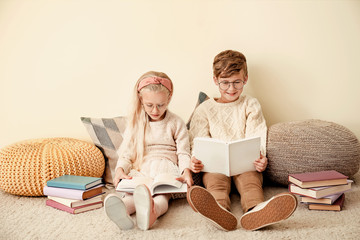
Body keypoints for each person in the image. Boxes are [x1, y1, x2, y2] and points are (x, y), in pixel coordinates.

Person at [187, 50, 297, 231]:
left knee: (251, 183)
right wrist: (196, 160)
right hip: (215, 165)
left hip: (246, 163)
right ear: (215, 80)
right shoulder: (204, 109)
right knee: (215, 184)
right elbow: (198, 141)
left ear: (245, 79)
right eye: (225, 83)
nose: (231, 89)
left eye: (237, 82)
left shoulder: (250, 104)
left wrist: (261, 158)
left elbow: (258, 134)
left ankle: (257, 210)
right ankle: (218, 211)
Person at [104, 71, 193, 231]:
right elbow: (127, 153)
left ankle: (153, 212)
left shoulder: (176, 122)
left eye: (161, 105)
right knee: (134, 193)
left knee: (161, 196)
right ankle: (121, 209)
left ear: (169, 98)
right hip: (142, 168)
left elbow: (183, 152)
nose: (155, 111)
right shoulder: (136, 123)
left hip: (166, 169)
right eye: (149, 105)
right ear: (141, 100)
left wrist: (185, 170)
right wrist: (120, 170)